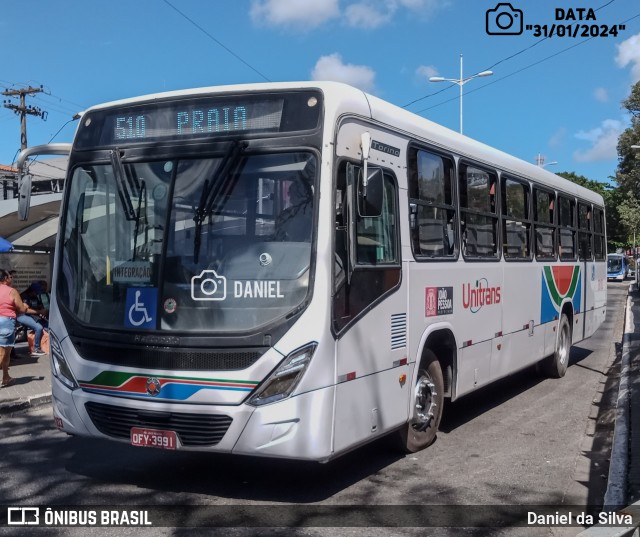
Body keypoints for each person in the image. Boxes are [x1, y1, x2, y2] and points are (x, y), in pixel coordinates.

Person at [0, 269, 43, 387]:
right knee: (3, 352)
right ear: (5, 279)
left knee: (7, 352)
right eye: (10, 277)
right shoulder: (12, 291)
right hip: (5, 322)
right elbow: (22, 309)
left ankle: (6, 377)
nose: (11, 279)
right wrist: (24, 305)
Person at [19, 282, 48, 356]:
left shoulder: (35, 297)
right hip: (22, 316)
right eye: (36, 292)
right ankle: (36, 349)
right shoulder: (23, 296)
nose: (37, 294)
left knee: (47, 326)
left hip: (33, 316)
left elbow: (39, 306)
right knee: (38, 327)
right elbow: (26, 310)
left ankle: (46, 346)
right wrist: (39, 311)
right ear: (32, 291)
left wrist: (43, 311)